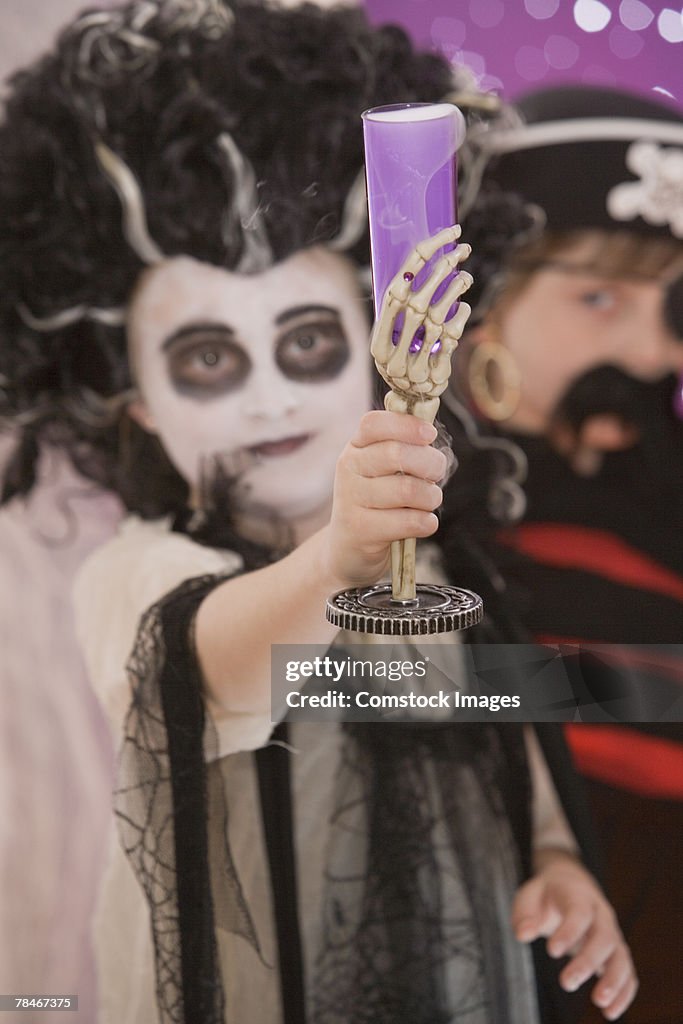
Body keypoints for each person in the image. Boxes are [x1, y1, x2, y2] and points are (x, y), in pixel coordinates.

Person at [0, 6, 636, 1023]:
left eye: (305, 343)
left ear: (385, 339)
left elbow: (512, 759)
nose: (267, 397)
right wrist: (332, 558)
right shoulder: (139, 570)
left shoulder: (442, 581)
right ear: (134, 405)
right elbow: (203, 674)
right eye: (207, 358)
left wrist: (560, 868)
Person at [456, 84, 683, 1024]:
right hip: (497, 939)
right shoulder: (407, 502)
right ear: (482, 306)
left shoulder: (659, 505)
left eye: (671, 308)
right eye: (597, 297)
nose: (646, 350)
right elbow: (307, 686)